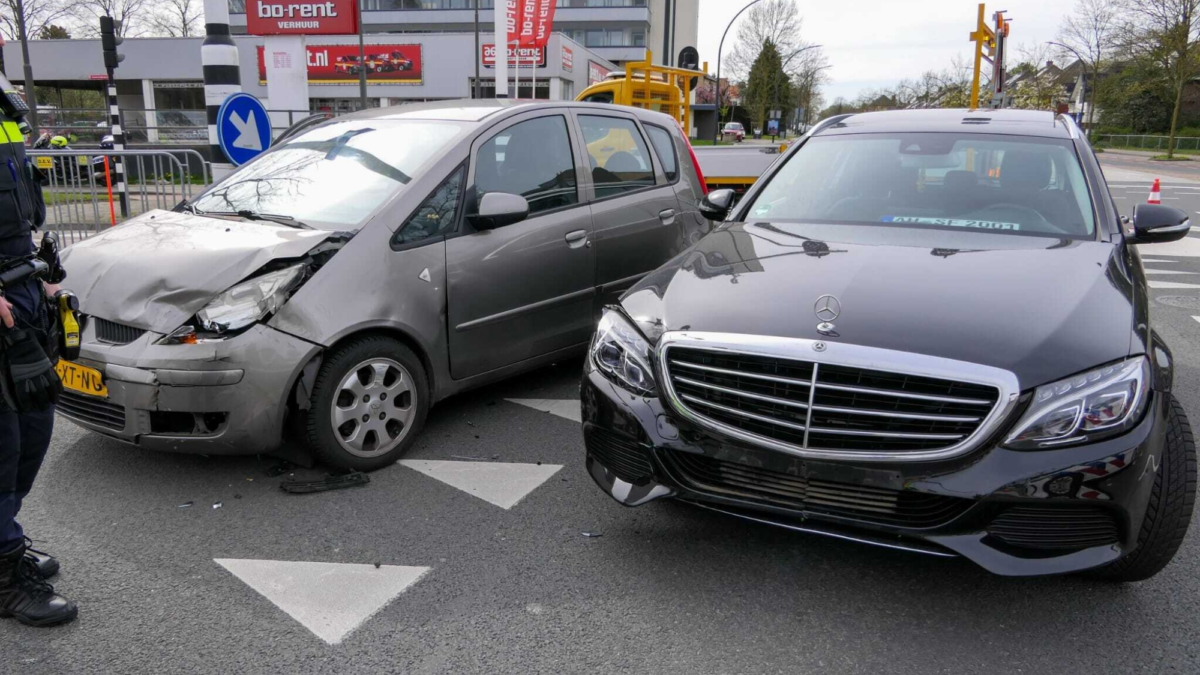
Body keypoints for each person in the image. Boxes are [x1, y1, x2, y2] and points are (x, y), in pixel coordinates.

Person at [0, 64, 76, 627]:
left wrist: (38, 276)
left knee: (33, 426)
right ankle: (3, 578)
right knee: (1, 446)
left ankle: (6, 538)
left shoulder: (4, 107)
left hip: (21, 292)